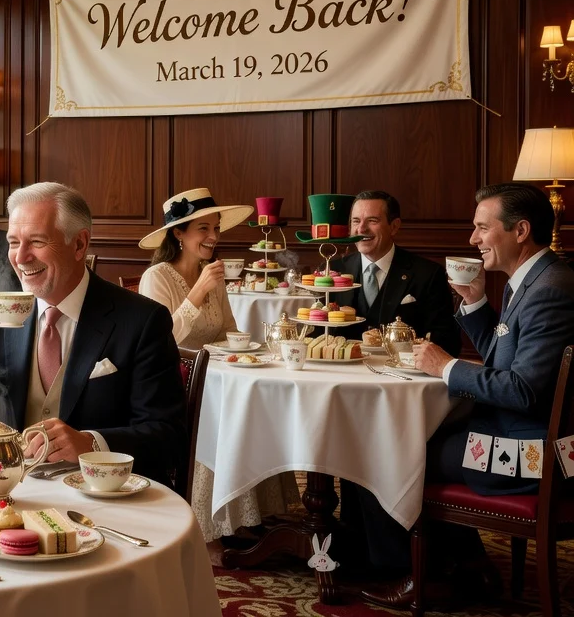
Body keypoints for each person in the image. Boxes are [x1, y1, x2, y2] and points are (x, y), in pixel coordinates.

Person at [357, 184, 574, 607]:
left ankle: (420, 575)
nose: (472, 240)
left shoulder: (548, 291)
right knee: (413, 438)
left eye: (481, 228)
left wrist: (445, 366)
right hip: (519, 436)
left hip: (533, 455)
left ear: (520, 231)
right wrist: (475, 307)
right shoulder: (533, 279)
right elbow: (507, 357)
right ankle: (469, 566)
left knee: (389, 450)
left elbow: (524, 390)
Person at [0, 182, 187, 487]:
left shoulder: (143, 320)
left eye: (36, 241)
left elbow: (168, 436)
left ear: (79, 245)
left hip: (99, 503)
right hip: (6, 495)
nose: (21, 258)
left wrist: (91, 444)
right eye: (12, 242)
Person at [136, 189, 298, 542]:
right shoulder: (158, 277)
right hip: (173, 381)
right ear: (178, 233)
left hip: (217, 374)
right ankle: (213, 523)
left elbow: (227, 330)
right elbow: (160, 340)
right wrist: (197, 292)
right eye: (203, 229)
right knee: (230, 404)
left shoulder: (213, 274)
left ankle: (249, 514)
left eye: (216, 228)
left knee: (254, 398)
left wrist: (249, 350)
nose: (213, 237)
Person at [330, 190, 462, 356]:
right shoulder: (331, 272)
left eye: (372, 221)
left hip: (402, 375)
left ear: (394, 226)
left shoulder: (428, 274)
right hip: (343, 375)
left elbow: (446, 340)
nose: (361, 228)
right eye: (356, 221)